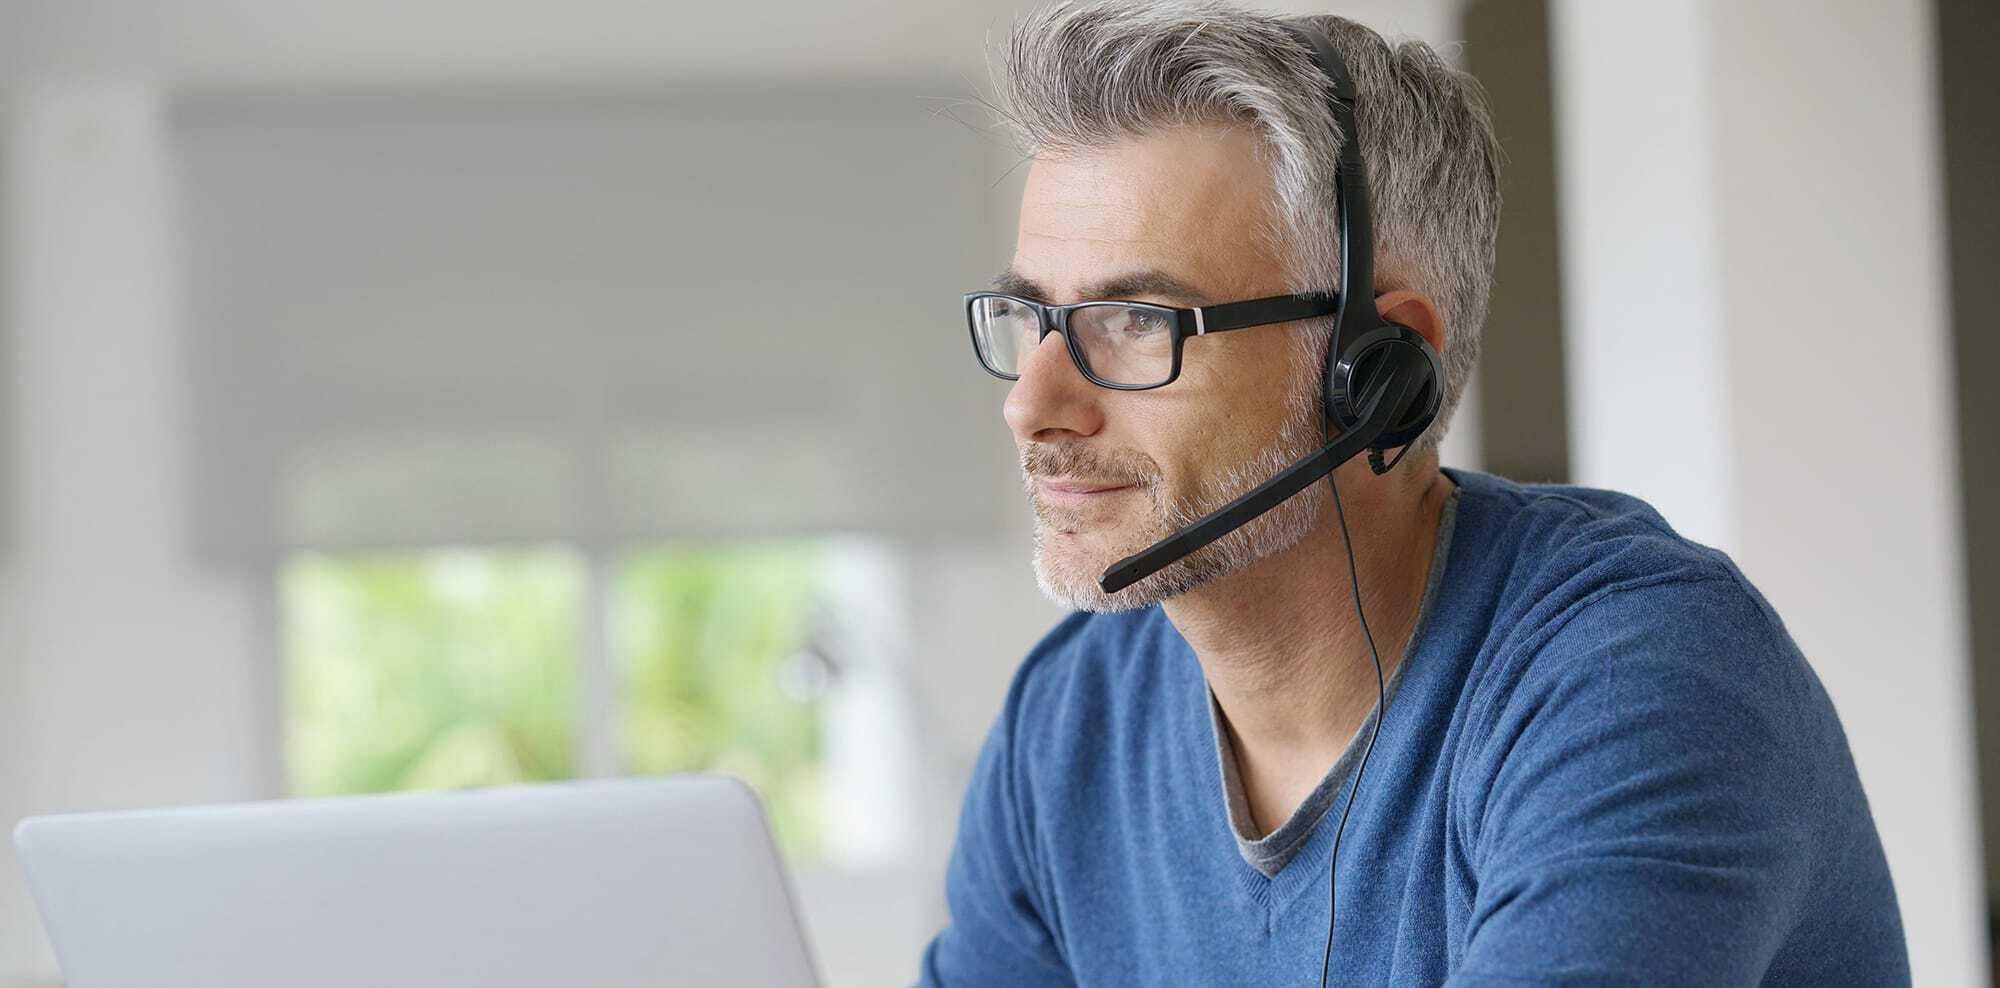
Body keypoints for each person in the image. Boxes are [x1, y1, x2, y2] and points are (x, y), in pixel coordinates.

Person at [917, 2, 1909, 985]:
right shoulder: (1069, 721)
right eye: (1031, 316)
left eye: (1133, 320)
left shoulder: (1642, 680)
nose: (1031, 405)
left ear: (1377, 371)